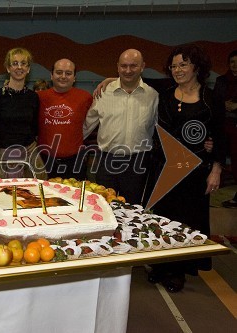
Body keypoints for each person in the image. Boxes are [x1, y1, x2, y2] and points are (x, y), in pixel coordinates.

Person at [148, 44, 226, 292]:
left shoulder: (211, 99)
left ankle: (178, 271)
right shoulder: (165, 89)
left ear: (197, 67)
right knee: (161, 219)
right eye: (173, 66)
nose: (177, 70)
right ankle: (161, 266)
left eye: (183, 64)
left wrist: (216, 169)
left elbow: (220, 137)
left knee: (186, 221)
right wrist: (107, 80)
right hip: (162, 168)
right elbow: (133, 77)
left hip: (193, 172)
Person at [83, 49, 158, 204]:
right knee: (103, 207)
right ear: (117, 67)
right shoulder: (103, 92)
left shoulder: (153, 96)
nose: (128, 70)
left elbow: (162, 129)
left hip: (138, 163)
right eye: (124, 66)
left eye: (133, 66)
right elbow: (87, 126)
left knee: (134, 209)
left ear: (142, 66)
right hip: (106, 161)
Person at [0, 47, 45, 179]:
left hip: (29, 153)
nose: (19, 67)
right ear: (8, 68)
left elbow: (35, 128)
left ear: (28, 68)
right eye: (15, 63)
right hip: (3, 154)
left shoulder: (33, 97)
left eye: (23, 63)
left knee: (34, 195)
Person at [38, 58, 93, 181]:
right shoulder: (39, 98)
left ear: (74, 77)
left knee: (76, 198)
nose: (63, 76)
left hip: (75, 162)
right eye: (59, 72)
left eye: (68, 73)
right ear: (51, 75)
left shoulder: (86, 98)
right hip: (44, 161)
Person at [214, 50, 237, 208]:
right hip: (223, 126)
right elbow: (215, 101)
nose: (235, 66)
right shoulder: (221, 80)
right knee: (218, 159)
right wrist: (224, 105)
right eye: (232, 62)